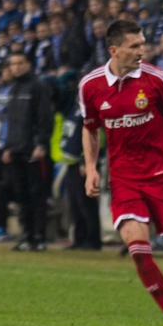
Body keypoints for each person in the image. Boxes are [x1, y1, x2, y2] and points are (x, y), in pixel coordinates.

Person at [79, 20, 163, 326]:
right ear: (114, 50)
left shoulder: (156, 78)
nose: (142, 51)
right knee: (138, 249)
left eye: (143, 44)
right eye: (135, 46)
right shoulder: (90, 85)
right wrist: (92, 168)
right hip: (124, 180)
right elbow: (90, 127)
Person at [4, 52, 53, 251]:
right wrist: (7, 147)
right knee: (22, 195)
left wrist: (41, 144)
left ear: (28, 64)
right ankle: (27, 235)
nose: (16, 67)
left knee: (37, 195)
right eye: (12, 64)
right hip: (16, 150)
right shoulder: (14, 89)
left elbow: (45, 118)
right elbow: (12, 122)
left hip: (33, 151)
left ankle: (40, 237)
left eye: (19, 63)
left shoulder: (37, 86)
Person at [60, 104, 102, 251]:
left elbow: (95, 136)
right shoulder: (73, 108)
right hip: (72, 162)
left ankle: (93, 240)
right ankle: (79, 238)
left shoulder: (91, 110)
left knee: (86, 202)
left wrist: (87, 161)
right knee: (75, 202)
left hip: (83, 162)